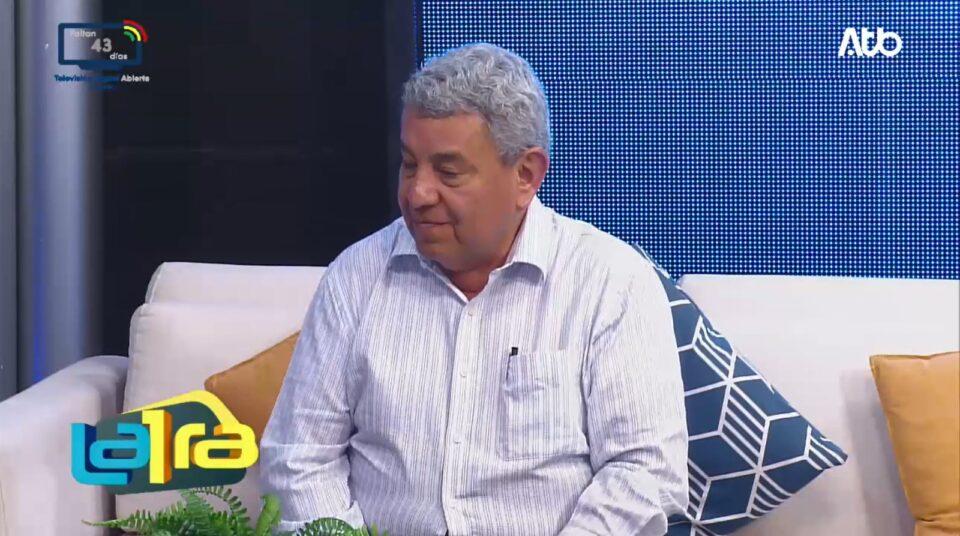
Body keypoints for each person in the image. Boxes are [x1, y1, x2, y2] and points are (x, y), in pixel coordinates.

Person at [260, 42, 688, 535]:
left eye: (448, 172)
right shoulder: (355, 278)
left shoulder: (611, 282)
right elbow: (300, 456)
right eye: (409, 164)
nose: (417, 193)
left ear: (526, 175)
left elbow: (643, 471)